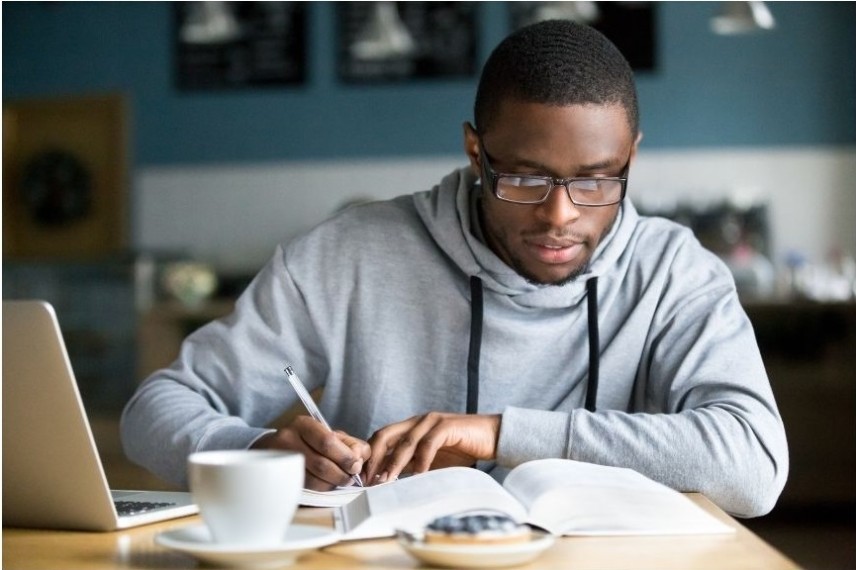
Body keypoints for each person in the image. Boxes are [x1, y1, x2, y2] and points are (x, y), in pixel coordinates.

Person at [122, 20, 788, 518]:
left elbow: (754, 467)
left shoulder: (673, 273)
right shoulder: (346, 255)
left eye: (595, 180)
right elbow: (154, 410)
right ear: (476, 150)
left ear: (631, 157)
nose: (560, 215)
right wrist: (260, 450)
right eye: (525, 178)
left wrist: (497, 433)